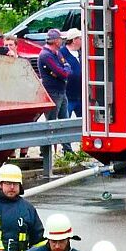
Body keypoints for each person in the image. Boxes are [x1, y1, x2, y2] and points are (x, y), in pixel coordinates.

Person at [38, 27, 73, 162]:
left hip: (62, 91)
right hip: (52, 92)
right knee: (51, 123)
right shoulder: (46, 55)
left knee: (65, 121)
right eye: (60, 39)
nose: (62, 41)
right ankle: (44, 153)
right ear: (55, 41)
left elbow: (65, 68)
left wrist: (63, 71)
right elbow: (62, 73)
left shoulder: (57, 53)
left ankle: (68, 151)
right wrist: (63, 71)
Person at [60, 28, 82, 117]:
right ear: (74, 40)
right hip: (68, 96)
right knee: (65, 119)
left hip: (81, 96)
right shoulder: (61, 53)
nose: (82, 41)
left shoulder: (82, 53)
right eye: (80, 39)